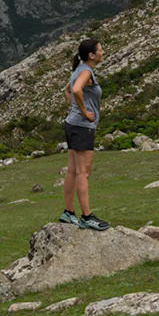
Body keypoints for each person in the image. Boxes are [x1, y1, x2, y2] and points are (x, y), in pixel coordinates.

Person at [60, 38, 110, 230]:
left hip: (72, 124)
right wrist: (83, 111)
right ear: (92, 55)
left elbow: (67, 90)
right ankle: (87, 217)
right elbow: (75, 90)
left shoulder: (79, 69)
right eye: (100, 49)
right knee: (83, 172)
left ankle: (68, 212)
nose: (103, 52)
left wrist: (75, 108)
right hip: (82, 126)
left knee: (73, 170)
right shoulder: (86, 71)